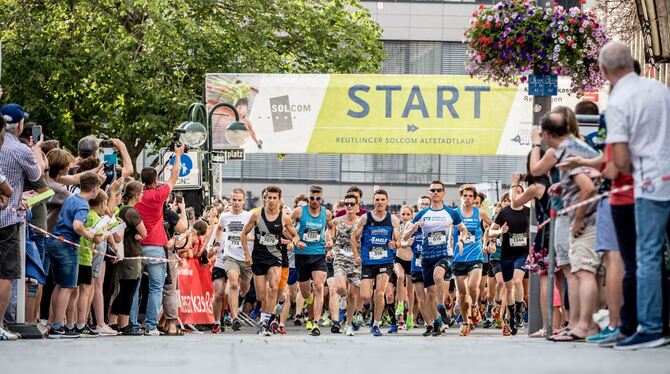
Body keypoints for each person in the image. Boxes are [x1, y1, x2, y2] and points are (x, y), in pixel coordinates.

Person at [601, 41, 670, 350]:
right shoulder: (660, 89)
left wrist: (611, 171)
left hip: (648, 186)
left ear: (604, 71)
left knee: (648, 257)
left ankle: (652, 327)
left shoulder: (618, 101)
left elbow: (620, 161)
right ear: (632, 62)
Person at [538, 112, 601, 342]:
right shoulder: (577, 145)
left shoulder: (566, 151)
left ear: (545, 135)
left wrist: (577, 220)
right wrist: (562, 189)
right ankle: (588, 325)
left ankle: (582, 326)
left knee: (582, 272)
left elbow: (588, 188)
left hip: (588, 218)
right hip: (598, 215)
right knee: (588, 272)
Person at [130, 144, 184, 336]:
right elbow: (175, 175)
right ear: (155, 180)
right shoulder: (158, 195)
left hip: (136, 246)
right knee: (155, 288)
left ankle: (133, 324)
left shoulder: (136, 196)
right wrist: (178, 155)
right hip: (155, 247)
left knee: (134, 288)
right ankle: (151, 326)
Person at [0, 104, 43, 341]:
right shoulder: (20, 149)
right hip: (7, 218)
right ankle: (0, 324)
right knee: (6, 274)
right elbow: (38, 176)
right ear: (19, 124)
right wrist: (35, 147)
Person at [404, 182, 467, 336]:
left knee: (438, 276)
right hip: (426, 257)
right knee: (430, 293)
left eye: (439, 190)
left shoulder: (451, 213)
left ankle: (441, 308)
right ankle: (437, 322)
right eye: (433, 190)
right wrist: (411, 230)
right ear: (429, 193)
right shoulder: (422, 214)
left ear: (444, 193)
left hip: (444, 254)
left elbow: (463, 230)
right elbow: (405, 237)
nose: (436, 192)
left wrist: (461, 240)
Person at [46, 172, 101, 338]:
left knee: (58, 284)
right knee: (68, 286)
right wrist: (89, 234)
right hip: (67, 245)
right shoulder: (83, 205)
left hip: (54, 242)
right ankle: (57, 326)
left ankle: (57, 324)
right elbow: (77, 225)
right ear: (96, 189)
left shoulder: (71, 198)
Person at [241, 185, 299, 336]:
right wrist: (247, 254)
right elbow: (243, 234)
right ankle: (268, 313)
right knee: (261, 295)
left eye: (274, 198)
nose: (271, 201)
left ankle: (264, 322)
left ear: (279, 200)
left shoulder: (284, 218)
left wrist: (293, 242)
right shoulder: (256, 216)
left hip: (276, 257)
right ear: (264, 199)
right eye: (269, 198)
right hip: (259, 257)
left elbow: (295, 235)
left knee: (273, 287)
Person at [351, 189, 401, 337]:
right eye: (377, 200)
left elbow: (398, 239)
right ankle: (366, 307)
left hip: (385, 261)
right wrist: (356, 255)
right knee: (366, 295)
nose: (379, 202)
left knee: (379, 293)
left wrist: (395, 244)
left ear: (387, 202)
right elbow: (354, 237)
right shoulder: (365, 218)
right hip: (368, 260)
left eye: (382, 200)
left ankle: (376, 324)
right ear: (373, 201)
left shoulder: (392, 219)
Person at [290, 185, 334, 336]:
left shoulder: (326, 213)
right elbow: (286, 226)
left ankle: (316, 323)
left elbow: (331, 228)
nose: (314, 201)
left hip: (318, 254)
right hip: (302, 255)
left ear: (321, 199)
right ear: (308, 198)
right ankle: (309, 302)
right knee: (306, 292)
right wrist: (295, 240)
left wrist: (330, 240)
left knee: (319, 287)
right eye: (312, 198)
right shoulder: (299, 211)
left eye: (318, 198)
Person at [208, 188, 252, 332]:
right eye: (234, 200)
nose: (236, 203)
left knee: (244, 289)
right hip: (226, 258)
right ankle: (228, 319)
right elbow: (219, 229)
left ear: (244, 201)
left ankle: (235, 304)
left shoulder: (249, 216)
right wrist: (215, 246)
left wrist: (251, 239)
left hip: (244, 259)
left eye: (239, 200)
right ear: (231, 200)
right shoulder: (225, 217)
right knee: (222, 291)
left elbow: (258, 232)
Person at [489, 185, 530, 336]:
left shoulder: (529, 212)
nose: (517, 194)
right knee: (508, 288)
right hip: (506, 255)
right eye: (515, 192)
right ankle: (512, 315)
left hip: (523, 254)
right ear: (510, 195)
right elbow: (490, 231)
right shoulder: (504, 212)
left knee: (517, 281)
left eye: (520, 192)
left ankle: (518, 312)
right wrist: (500, 231)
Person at [452, 184, 492, 336]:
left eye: (470, 196)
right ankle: (464, 322)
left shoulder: (480, 213)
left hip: (475, 255)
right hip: (458, 256)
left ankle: (474, 305)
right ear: (461, 197)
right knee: (461, 294)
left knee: (473, 287)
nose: (468, 199)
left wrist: (490, 241)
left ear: (474, 198)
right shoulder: (454, 214)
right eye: (465, 196)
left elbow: (492, 226)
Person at [109, 181, 147, 335]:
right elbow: (144, 233)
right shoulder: (131, 212)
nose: (143, 195)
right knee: (129, 290)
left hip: (123, 252)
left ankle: (113, 322)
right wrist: (139, 235)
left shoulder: (121, 209)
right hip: (131, 254)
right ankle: (123, 324)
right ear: (136, 194)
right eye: (142, 192)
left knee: (123, 289)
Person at [332, 192, 363, 336]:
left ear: (358, 205)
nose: (349, 206)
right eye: (347, 204)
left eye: (352, 204)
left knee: (353, 295)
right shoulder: (337, 221)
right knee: (340, 288)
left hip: (356, 260)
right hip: (340, 258)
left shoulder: (362, 221)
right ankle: (342, 302)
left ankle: (348, 323)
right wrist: (329, 245)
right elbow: (329, 234)